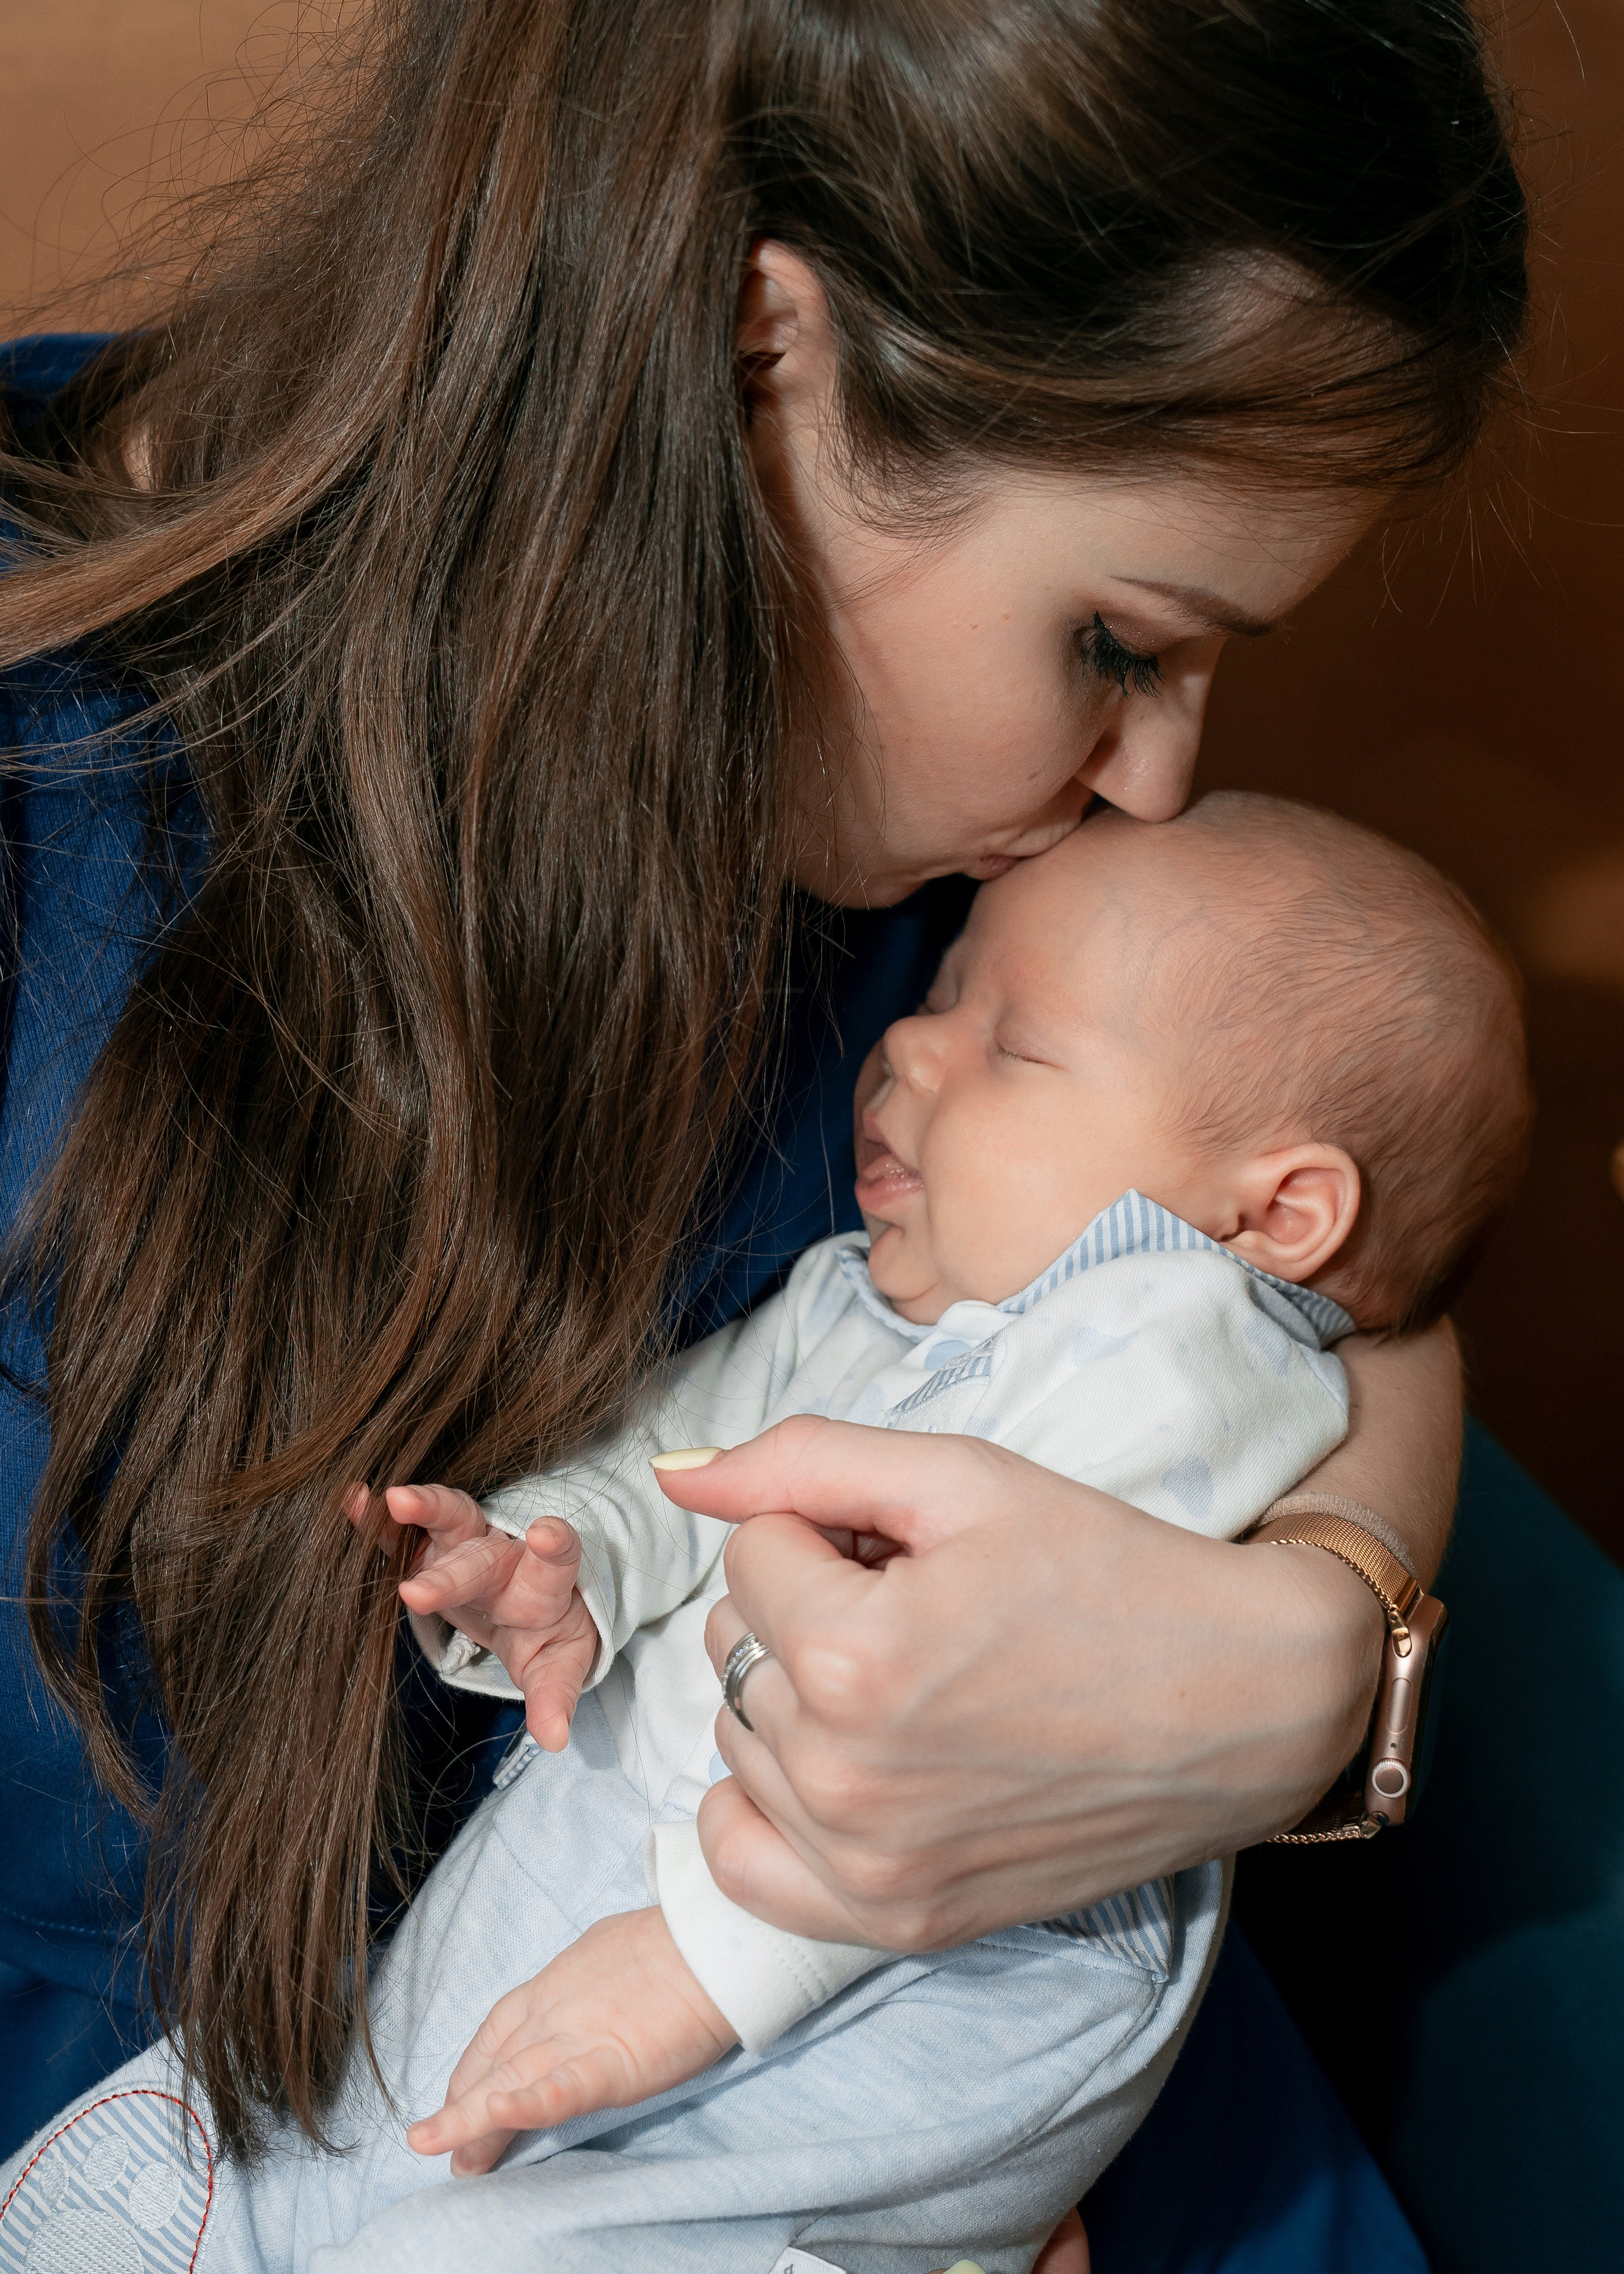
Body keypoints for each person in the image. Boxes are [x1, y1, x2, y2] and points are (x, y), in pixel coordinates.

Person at [0, 0, 1525, 2261]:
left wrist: (1301, 1663)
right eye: (1118, 637)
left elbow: (1318, 1246)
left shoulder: (928, 872)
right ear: (749, 359)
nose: (1161, 784)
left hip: (884, 2080)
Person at [0, 794, 1533, 2273]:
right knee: (329, 2140)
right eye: (935, 998)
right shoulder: (855, 1295)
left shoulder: (1181, 1340)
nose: (908, 1050)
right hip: (647, 1856)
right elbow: (684, 1453)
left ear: (1273, 1216)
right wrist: (561, 1557)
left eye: (1012, 1044)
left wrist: (702, 1966)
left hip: (930, 1955)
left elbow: (974, 1741)